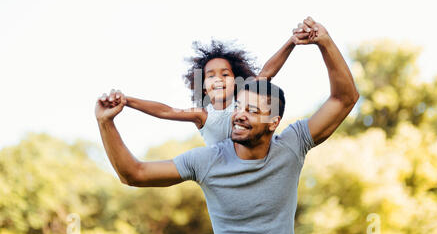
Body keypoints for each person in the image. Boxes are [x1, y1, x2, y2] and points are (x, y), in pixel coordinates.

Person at [96, 17, 360, 234]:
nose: (241, 114)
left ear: (273, 122)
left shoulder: (292, 144)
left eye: (253, 111)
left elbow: (344, 98)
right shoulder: (207, 159)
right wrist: (107, 122)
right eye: (240, 107)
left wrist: (323, 41)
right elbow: (134, 174)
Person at [106, 33, 309, 146]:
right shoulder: (203, 115)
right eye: (210, 75)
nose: (218, 79)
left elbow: (267, 72)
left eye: (225, 74)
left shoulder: (244, 100)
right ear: (202, 87)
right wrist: (127, 100)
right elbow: (166, 111)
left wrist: (292, 42)